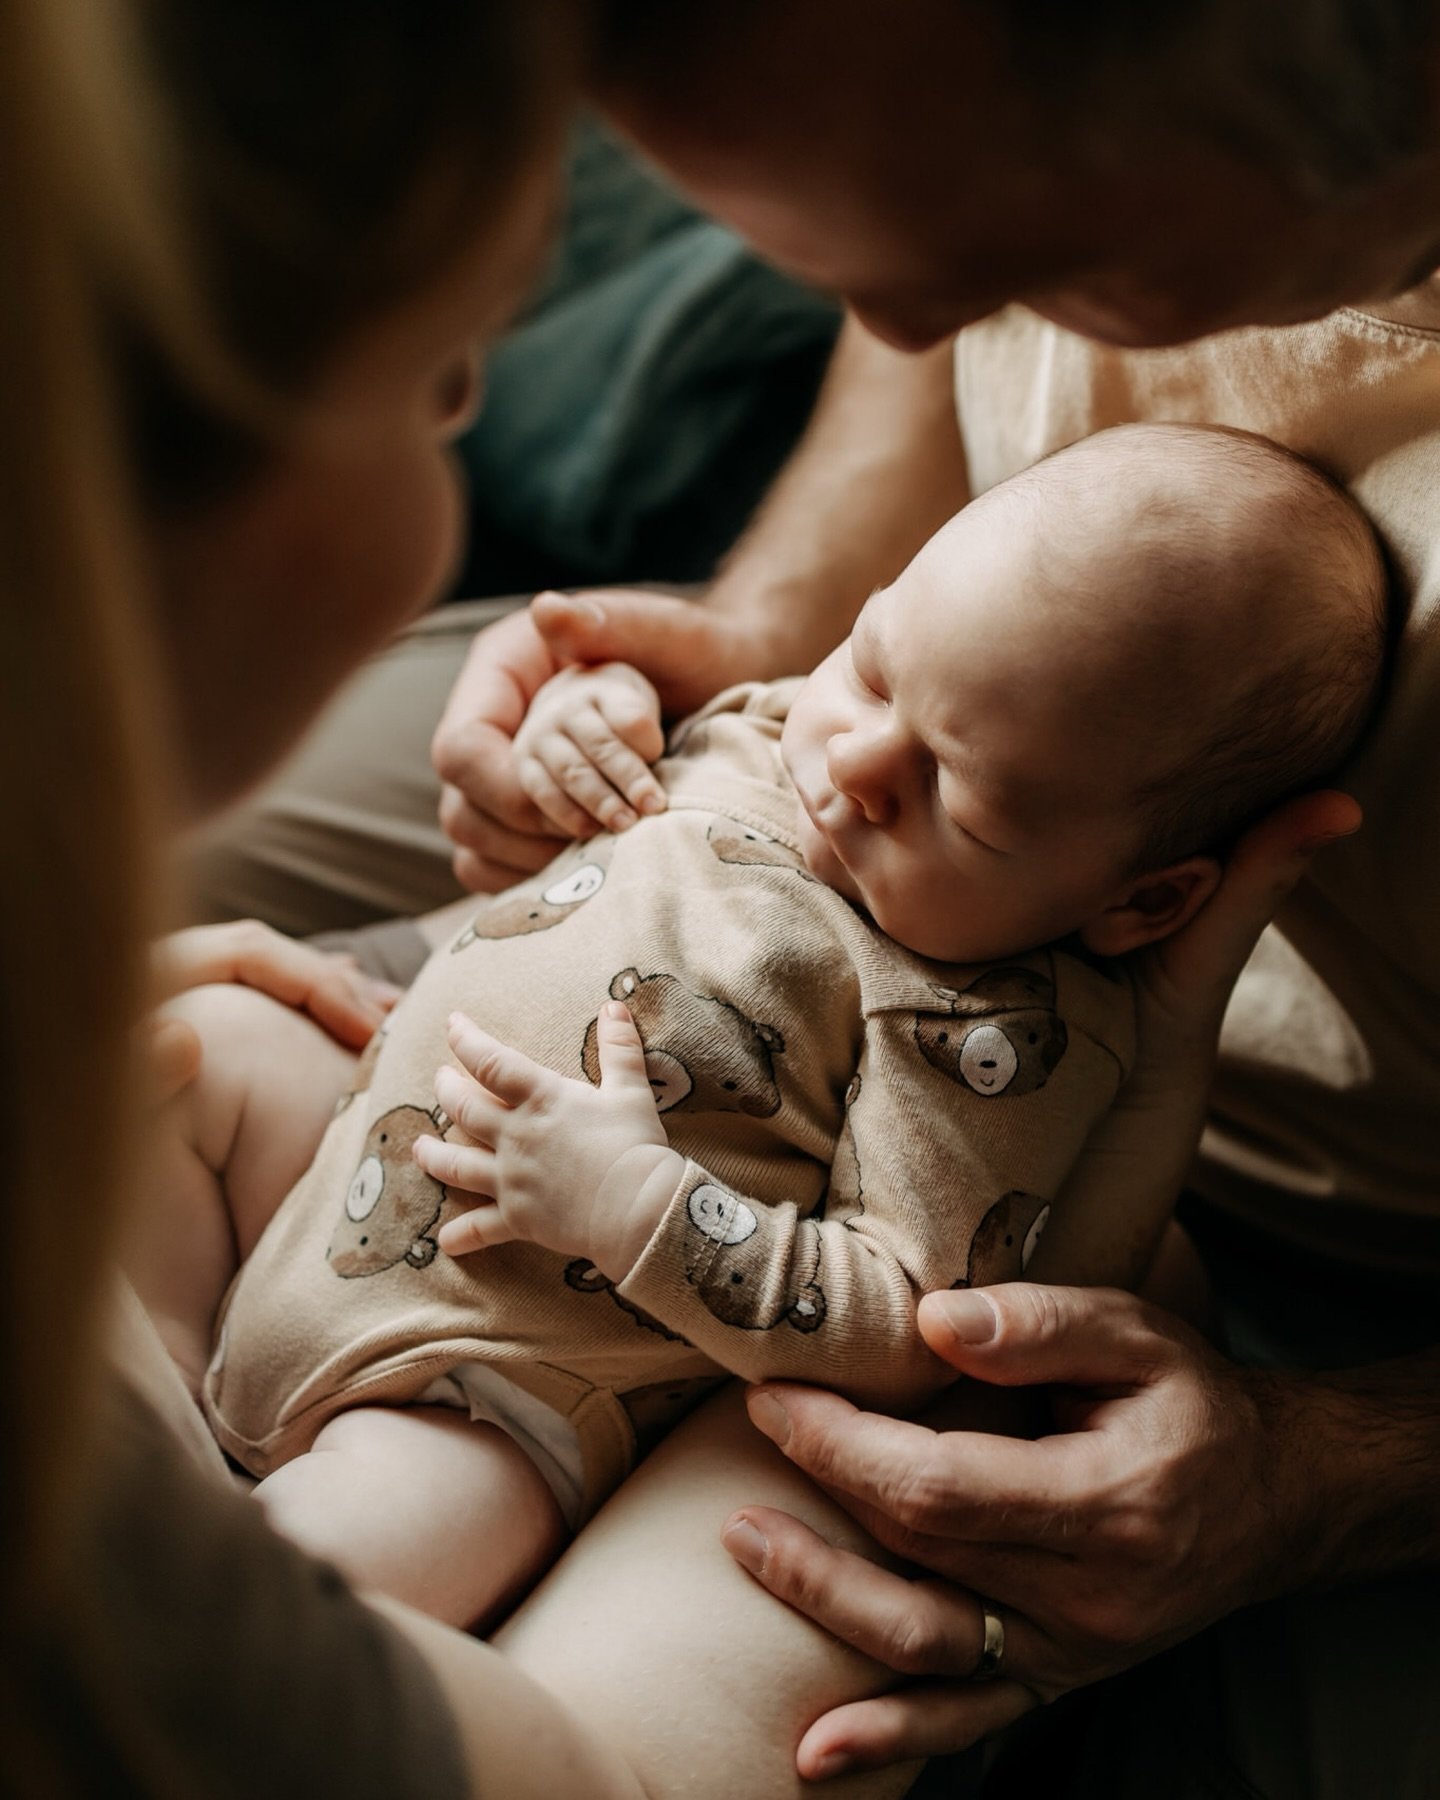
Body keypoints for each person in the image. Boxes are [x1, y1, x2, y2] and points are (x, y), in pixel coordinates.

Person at [182, 3, 1440, 1792]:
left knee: (709, 1680)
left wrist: (1322, 1472)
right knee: (137, 971)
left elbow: (909, 1301)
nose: (905, 321)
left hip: (1221, 1283)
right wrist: (775, 643)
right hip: (541, 1022)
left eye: (1022, 247)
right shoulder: (850, 716)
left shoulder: (979, 1034)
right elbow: (905, 331)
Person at [144, 424, 1383, 1661]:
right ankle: (126, 1396)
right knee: (192, 1059)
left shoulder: (994, 1030)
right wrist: (593, 714)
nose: (853, 763)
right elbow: (564, 892)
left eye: (959, 794)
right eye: (878, 668)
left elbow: (909, 1322)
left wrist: (640, 1207)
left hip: (487, 1387)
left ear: (1142, 900)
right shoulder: (774, 726)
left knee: (270, 1617)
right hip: (341, 1149)